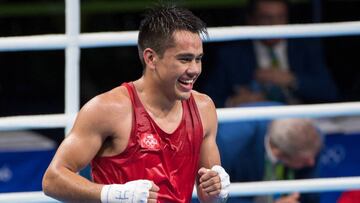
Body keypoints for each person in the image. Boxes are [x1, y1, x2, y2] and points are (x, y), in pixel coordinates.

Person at [42, 4, 230, 203]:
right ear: (151, 58)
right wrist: (113, 194)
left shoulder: (203, 109)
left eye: (198, 59)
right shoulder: (109, 109)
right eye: (184, 59)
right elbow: (52, 179)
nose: (194, 70)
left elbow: (208, 196)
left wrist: (217, 190)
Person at [203, 0, 339, 108]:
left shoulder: (305, 46)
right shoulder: (231, 54)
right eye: (266, 18)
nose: (274, 24)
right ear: (251, 20)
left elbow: (329, 92)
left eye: (280, 17)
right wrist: (233, 101)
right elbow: (208, 99)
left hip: (299, 122)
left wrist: (291, 80)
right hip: (254, 122)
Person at [217, 118, 323, 203]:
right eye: (304, 160)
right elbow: (212, 197)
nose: (311, 162)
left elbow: (310, 197)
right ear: (280, 154)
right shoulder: (230, 146)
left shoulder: (311, 138)